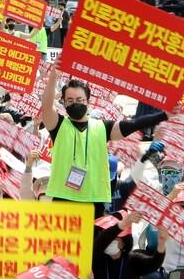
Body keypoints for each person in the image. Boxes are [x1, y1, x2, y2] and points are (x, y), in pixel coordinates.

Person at [39, 78, 167, 216]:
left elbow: (133, 124)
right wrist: (54, 75)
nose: (75, 103)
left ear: (87, 101)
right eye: (70, 100)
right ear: (63, 102)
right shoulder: (58, 125)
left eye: (79, 99)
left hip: (94, 202)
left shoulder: (102, 127)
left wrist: (163, 115)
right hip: (63, 199)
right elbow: (46, 105)